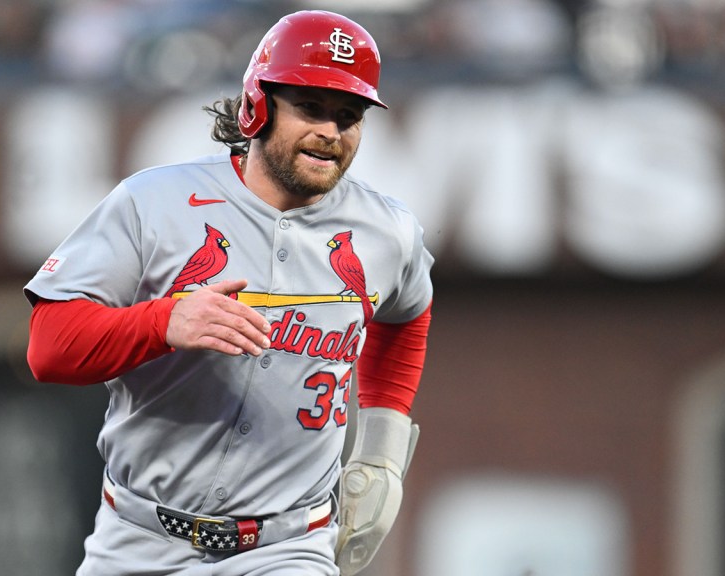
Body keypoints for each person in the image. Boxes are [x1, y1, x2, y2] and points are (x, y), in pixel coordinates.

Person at [24, 10, 434, 576]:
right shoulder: (155, 201)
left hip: (288, 546)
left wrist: (382, 452)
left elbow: (409, 314)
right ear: (257, 105)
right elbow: (49, 348)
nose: (330, 132)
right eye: (310, 108)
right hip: (141, 538)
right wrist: (163, 323)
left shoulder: (387, 231)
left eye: (349, 115)